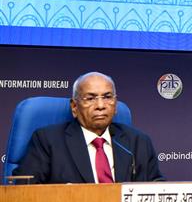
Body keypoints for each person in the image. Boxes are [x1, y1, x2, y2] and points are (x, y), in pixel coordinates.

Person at [13, 72, 164, 184]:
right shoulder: (48, 141)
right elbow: (25, 192)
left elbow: (157, 190)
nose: (100, 106)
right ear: (74, 107)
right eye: (90, 98)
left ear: (115, 104)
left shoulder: (138, 142)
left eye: (107, 97)